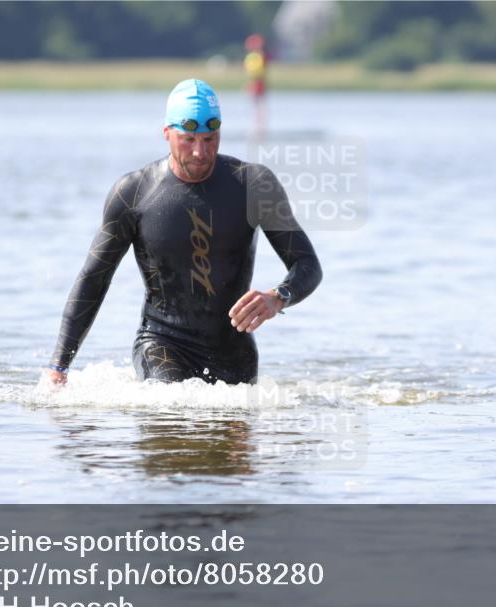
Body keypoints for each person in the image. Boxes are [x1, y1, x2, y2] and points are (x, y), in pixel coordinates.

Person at [43, 79, 321, 386]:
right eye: (188, 140)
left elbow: (307, 265)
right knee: (173, 411)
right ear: (166, 133)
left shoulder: (253, 184)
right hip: (163, 345)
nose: (200, 152)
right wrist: (59, 366)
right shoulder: (134, 192)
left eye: (210, 139)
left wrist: (277, 298)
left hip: (235, 352)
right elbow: (94, 279)